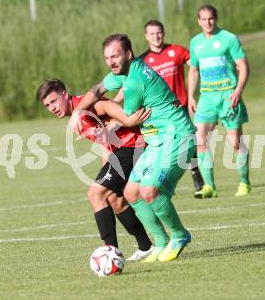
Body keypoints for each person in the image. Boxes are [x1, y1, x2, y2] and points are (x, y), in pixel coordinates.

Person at [72, 34, 196, 262]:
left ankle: (179, 235)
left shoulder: (134, 81)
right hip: (157, 141)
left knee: (149, 191)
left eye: (116, 56)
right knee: (130, 192)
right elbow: (98, 89)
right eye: (107, 57)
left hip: (177, 137)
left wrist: (105, 129)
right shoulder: (126, 72)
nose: (111, 61)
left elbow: (127, 116)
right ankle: (159, 242)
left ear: (129, 55)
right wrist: (78, 112)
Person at [36, 78, 154, 261]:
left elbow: (106, 106)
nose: (52, 107)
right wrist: (105, 170)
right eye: (47, 105)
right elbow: (105, 144)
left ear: (65, 95)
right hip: (122, 151)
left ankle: (109, 253)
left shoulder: (86, 107)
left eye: (54, 101)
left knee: (95, 194)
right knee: (114, 199)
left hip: (132, 147)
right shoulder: (76, 118)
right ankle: (146, 247)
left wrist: (120, 121)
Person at [188, 4, 252, 199]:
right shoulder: (195, 42)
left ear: (216, 19)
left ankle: (244, 182)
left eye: (211, 18)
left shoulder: (229, 39)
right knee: (200, 141)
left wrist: (238, 91)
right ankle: (210, 186)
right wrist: (191, 95)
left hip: (228, 97)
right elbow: (193, 70)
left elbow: (243, 66)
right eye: (204, 19)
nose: (208, 22)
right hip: (207, 98)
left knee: (235, 143)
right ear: (199, 21)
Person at [140, 19, 204, 192]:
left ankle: (196, 173)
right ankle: (158, 180)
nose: (156, 36)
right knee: (158, 145)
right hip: (156, 112)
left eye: (158, 32)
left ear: (164, 32)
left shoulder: (176, 51)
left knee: (187, 143)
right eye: (152, 33)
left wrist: (192, 95)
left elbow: (196, 65)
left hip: (178, 107)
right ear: (146, 36)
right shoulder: (143, 60)